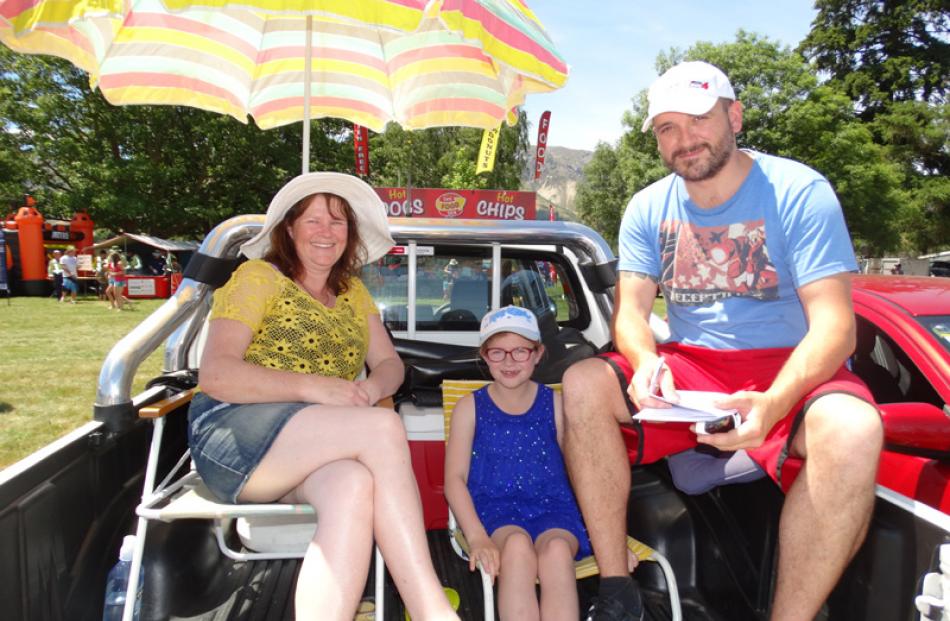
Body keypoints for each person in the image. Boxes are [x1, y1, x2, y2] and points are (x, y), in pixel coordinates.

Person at [561, 61, 883, 621]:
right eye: (666, 128)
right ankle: (617, 592)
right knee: (582, 382)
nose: (684, 140)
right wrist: (644, 363)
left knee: (855, 430)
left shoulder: (800, 191)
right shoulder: (645, 207)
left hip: (792, 370)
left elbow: (835, 327)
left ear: (733, 116)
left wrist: (774, 403)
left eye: (698, 120)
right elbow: (632, 314)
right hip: (695, 370)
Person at [187, 172, 459, 621]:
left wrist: (372, 387)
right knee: (382, 426)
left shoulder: (353, 294)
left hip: (306, 447)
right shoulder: (258, 277)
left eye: (337, 222)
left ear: (349, 234)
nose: (325, 232)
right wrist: (312, 387)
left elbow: (391, 365)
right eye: (312, 220)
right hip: (233, 437)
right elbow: (216, 374)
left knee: (353, 485)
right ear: (288, 229)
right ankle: (430, 609)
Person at [444, 306, 593, 621]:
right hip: (496, 511)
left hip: (555, 508)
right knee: (516, 547)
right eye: (497, 352)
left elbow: (583, 472)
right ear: (484, 356)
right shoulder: (469, 408)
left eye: (520, 351)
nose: (509, 361)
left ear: (538, 354)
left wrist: (608, 538)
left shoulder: (556, 403)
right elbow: (454, 480)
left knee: (555, 553)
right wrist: (476, 537)